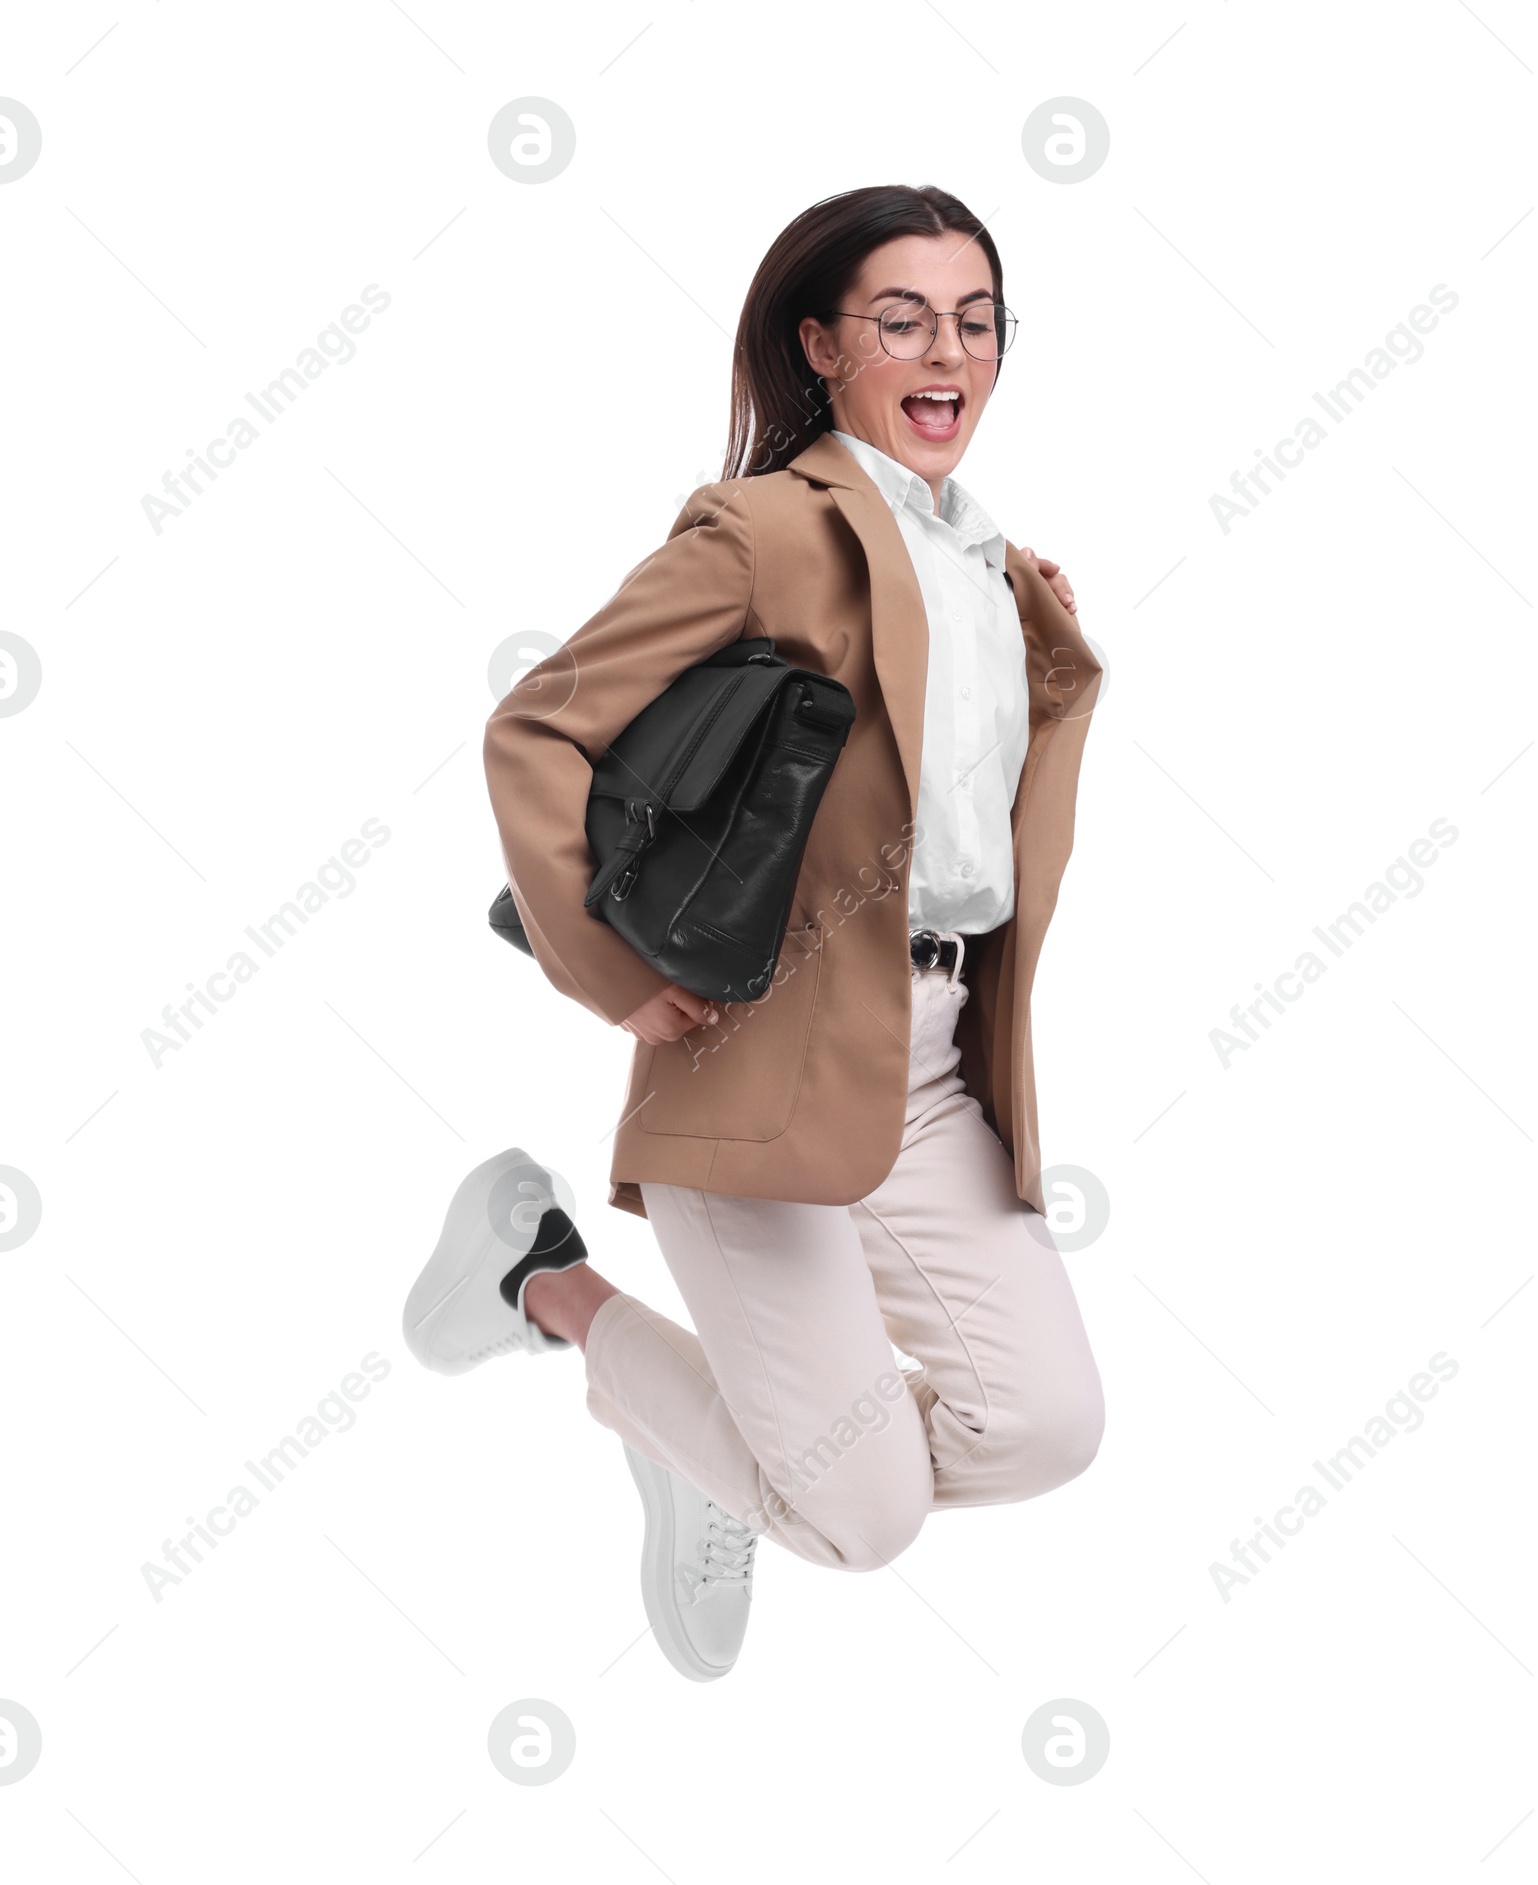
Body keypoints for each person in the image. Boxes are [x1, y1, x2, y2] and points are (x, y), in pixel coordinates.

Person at [402, 183, 1105, 1682]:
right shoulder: (767, 531)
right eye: (902, 318)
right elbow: (538, 729)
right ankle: (544, 1277)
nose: (949, 352)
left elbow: (962, 817)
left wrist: (1030, 644)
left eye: (978, 321)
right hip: (759, 1051)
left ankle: (709, 1450)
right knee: (865, 1522)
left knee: (1048, 1426)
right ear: (820, 344)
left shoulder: (982, 559)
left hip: (930, 1062)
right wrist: (614, 974)